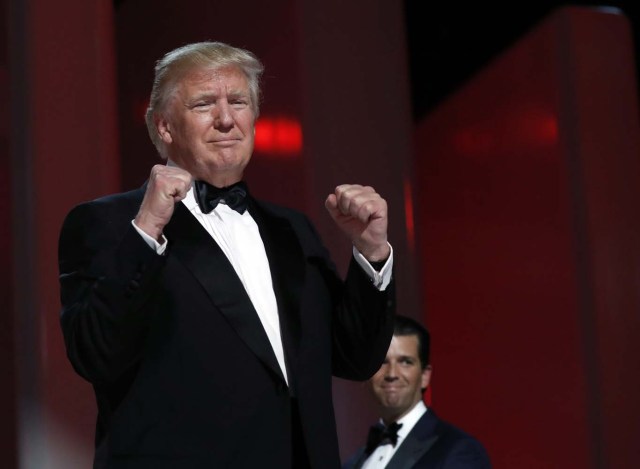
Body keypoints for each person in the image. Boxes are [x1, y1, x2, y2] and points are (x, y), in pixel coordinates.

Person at [58, 41, 395, 469]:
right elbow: (95, 355)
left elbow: (356, 357)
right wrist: (146, 231)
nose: (225, 119)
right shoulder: (107, 223)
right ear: (164, 127)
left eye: (238, 102)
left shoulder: (292, 229)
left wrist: (371, 253)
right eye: (204, 104)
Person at [343, 315, 490, 469]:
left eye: (406, 362)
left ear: (425, 375)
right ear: (367, 374)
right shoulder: (352, 462)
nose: (392, 374)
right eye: (382, 362)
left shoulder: (459, 450)